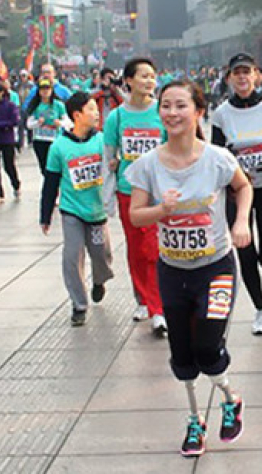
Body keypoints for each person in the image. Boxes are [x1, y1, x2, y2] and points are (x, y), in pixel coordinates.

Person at [125, 79, 251, 456]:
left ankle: (230, 398)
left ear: (198, 111)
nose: (172, 113)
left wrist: (241, 222)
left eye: (181, 106)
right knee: (182, 356)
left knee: (208, 348)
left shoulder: (217, 158)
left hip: (216, 269)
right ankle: (195, 421)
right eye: (166, 105)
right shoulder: (147, 165)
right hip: (173, 272)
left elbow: (243, 187)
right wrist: (162, 210)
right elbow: (134, 216)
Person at [211, 53, 262, 335]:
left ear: (256, 75)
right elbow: (218, 154)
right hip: (237, 193)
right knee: (245, 254)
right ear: (229, 79)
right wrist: (232, 174)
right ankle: (261, 310)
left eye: (247, 72)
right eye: (237, 73)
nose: (243, 78)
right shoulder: (222, 114)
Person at [103, 57, 168, 335]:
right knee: (136, 247)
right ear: (128, 81)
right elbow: (109, 155)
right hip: (129, 191)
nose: (149, 81)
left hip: (158, 193)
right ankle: (142, 298)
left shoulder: (162, 112)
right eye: (143, 76)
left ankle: (158, 308)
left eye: (152, 76)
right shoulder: (117, 117)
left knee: (153, 249)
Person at [39, 92, 114, 326]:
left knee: (102, 255)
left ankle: (99, 281)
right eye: (91, 109)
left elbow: (114, 167)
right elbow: (50, 182)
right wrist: (45, 215)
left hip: (97, 212)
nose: (96, 113)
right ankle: (79, 304)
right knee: (72, 256)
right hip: (71, 211)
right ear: (77, 115)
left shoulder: (101, 141)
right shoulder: (59, 147)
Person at [25, 79, 68, 175]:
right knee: (44, 167)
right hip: (40, 140)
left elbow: (68, 122)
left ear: (52, 90)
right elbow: (29, 124)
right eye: (42, 89)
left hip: (55, 140)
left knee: (56, 166)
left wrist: (60, 123)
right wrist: (38, 123)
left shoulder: (58, 105)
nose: (45, 91)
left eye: (47, 89)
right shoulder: (35, 105)